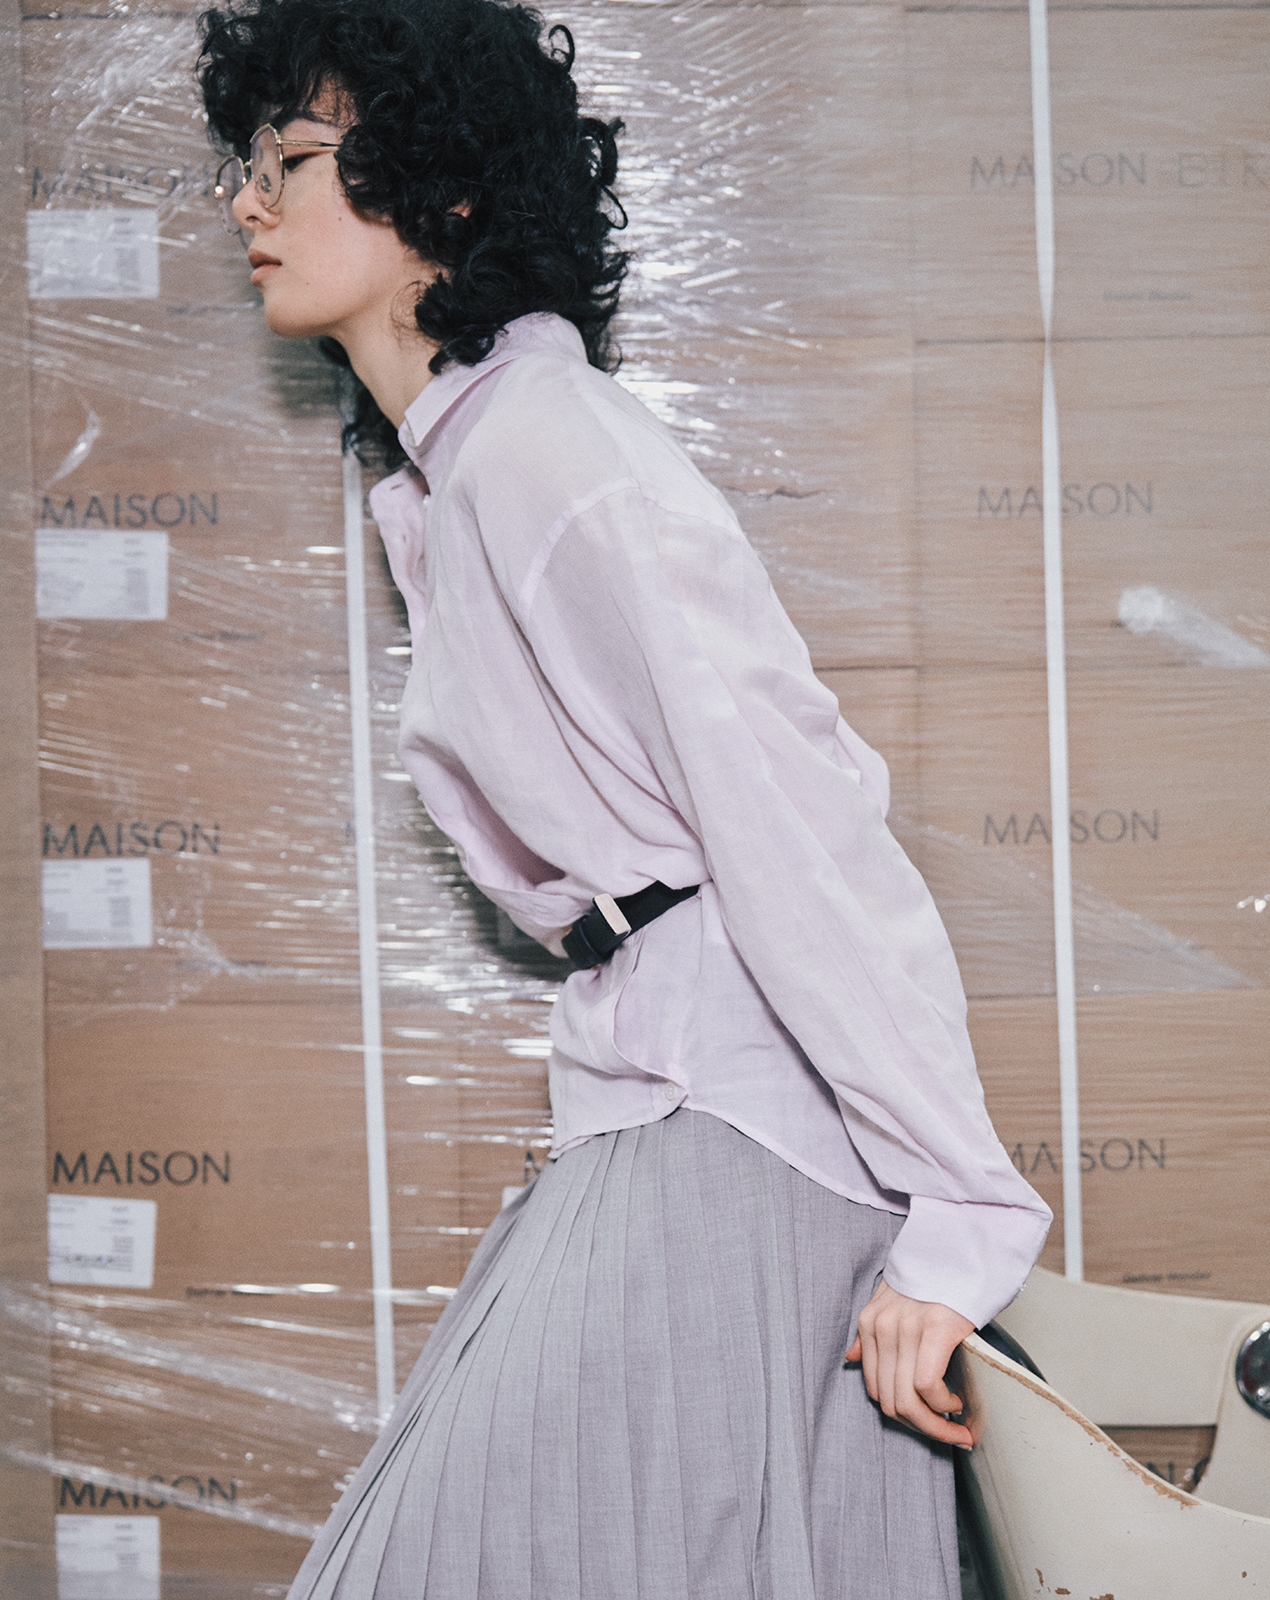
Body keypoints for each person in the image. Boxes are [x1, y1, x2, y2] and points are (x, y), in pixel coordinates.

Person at [197, 0, 1051, 1593]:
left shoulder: (548, 455)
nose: (247, 202)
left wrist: (963, 1213)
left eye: (288, 158)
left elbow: (791, 820)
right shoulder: (456, 476)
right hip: (652, 1086)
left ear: (440, 188)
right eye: (242, 163)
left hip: (735, 1108)